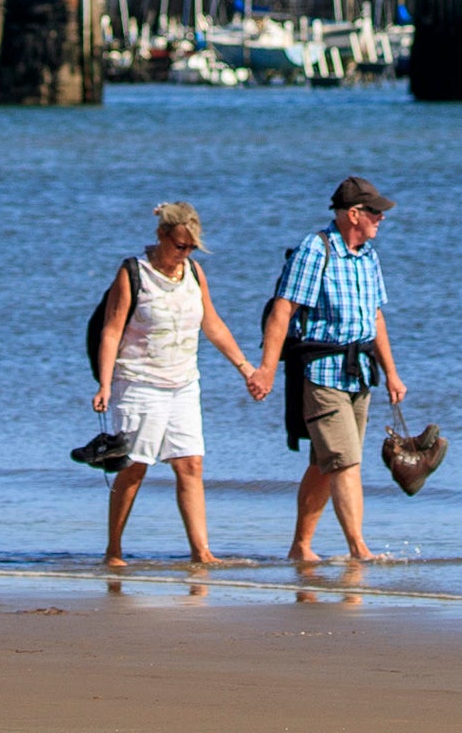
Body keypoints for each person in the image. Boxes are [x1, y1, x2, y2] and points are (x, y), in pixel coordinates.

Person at [248, 176, 406, 563]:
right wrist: (266, 369)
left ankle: (300, 546)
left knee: (324, 463)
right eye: (375, 212)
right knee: (345, 461)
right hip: (321, 373)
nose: (381, 219)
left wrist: (392, 373)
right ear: (354, 214)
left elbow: (376, 317)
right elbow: (283, 310)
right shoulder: (315, 250)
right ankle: (359, 548)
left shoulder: (368, 255)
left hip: (360, 372)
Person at [93, 202, 259, 567]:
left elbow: (212, 324)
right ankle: (114, 550)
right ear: (162, 236)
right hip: (138, 383)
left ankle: (202, 552)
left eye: (190, 248)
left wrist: (246, 368)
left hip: (184, 384)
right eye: (178, 246)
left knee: (191, 465)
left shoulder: (194, 273)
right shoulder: (133, 272)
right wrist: (105, 385)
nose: (183, 254)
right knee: (133, 465)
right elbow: (111, 330)